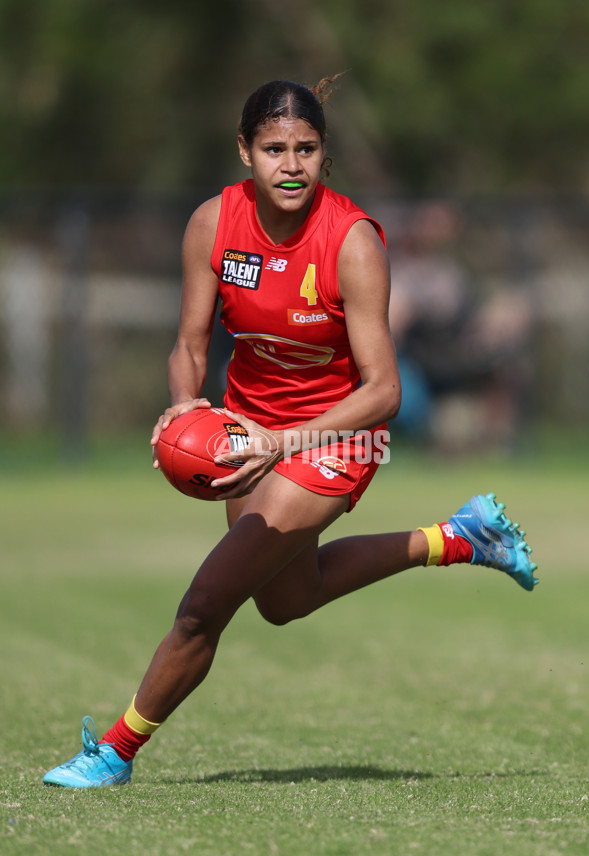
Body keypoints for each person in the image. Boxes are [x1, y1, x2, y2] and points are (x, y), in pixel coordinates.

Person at [43, 78, 538, 788]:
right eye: (274, 148)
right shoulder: (212, 224)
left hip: (338, 433)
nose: (291, 164)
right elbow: (187, 341)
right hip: (249, 427)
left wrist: (283, 443)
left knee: (206, 601)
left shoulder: (353, 241)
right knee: (285, 599)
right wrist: (185, 405)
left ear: (325, 155)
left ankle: (114, 751)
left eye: (306, 148)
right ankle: (457, 537)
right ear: (245, 150)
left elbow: (385, 391)